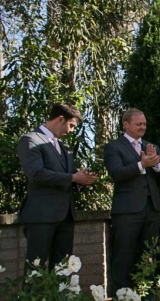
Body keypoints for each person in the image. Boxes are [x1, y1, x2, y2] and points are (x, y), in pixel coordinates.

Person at [16, 103, 98, 270]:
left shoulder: (63, 147)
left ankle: (60, 298)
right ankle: (34, 298)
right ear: (60, 119)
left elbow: (69, 177)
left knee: (62, 271)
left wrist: (82, 179)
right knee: (35, 270)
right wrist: (73, 177)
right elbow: (36, 174)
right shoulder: (31, 139)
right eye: (71, 125)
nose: (72, 130)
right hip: (41, 216)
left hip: (65, 217)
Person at [104, 108, 160, 296]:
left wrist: (155, 164)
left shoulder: (151, 146)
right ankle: (122, 296)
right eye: (138, 124)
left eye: (144, 124)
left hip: (151, 208)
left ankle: (147, 295)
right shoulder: (113, 147)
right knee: (124, 254)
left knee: (149, 254)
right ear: (126, 124)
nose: (143, 127)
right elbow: (117, 174)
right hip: (127, 211)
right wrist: (142, 165)